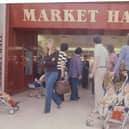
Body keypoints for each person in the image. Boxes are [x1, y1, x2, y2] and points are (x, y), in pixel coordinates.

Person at [90, 34, 109, 112]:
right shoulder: (104, 49)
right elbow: (108, 61)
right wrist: (107, 71)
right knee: (102, 89)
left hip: (98, 69)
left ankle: (97, 108)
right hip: (104, 69)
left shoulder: (97, 48)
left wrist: (92, 72)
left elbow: (96, 61)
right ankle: (102, 107)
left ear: (94, 41)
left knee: (97, 90)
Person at [42, 38, 61, 114]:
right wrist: (48, 61)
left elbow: (54, 63)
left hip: (54, 72)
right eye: (47, 44)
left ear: (53, 44)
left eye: (49, 43)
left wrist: (46, 62)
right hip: (47, 72)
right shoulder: (46, 53)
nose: (48, 45)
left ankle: (47, 109)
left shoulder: (56, 53)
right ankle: (58, 101)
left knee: (47, 91)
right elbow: (43, 63)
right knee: (48, 90)